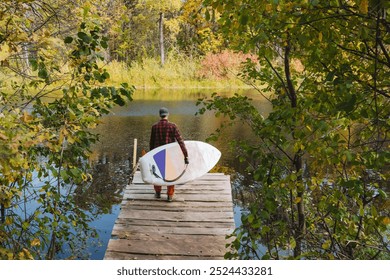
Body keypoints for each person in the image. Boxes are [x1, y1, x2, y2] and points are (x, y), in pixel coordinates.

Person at [149, 107, 189, 202]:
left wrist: (151, 155)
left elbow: (151, 142)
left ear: (160, 115)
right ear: (168, 114)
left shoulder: (154, 127)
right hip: (170, 154)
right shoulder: (173, 126)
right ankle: (170, 196)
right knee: (171, 175)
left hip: (157, 154)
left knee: (157, 174)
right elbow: (180, 141)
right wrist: (185, 155)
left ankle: (158, 193)